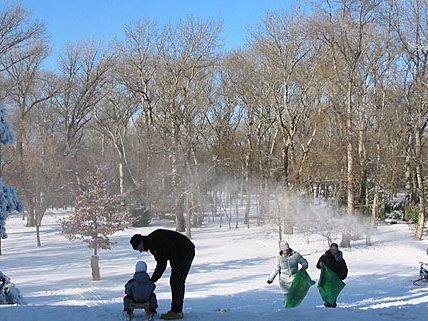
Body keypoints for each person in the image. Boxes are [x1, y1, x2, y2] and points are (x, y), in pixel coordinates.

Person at [130, 230, 195, 320]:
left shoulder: (155, 239)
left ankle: (176, 311)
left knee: (176, 281)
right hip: (182, 253)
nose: (140, 251)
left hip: (185, 250)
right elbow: (161, 264)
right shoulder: (152, 246)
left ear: (140, 242)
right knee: (176, 281)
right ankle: (177, 310)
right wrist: (152, 280)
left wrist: (175, 267)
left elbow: (173, 249)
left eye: (138, 248)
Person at [316, 243, 348, 307]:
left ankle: (332, 304)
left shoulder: (339, 258)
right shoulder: (325, 256)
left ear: (337, 249)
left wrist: (342, 276)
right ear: (330, 249)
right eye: (332, 249)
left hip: (335, 279)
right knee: (325, 291)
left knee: (333, 293)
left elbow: (344, 268)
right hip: (326, 279)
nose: (333, 250)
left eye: (335, 249)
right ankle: (327, 303)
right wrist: (320, 264)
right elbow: (318, 266)